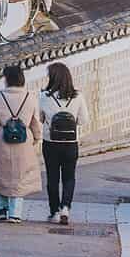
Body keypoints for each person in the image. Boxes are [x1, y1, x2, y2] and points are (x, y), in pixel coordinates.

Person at [0, 64, 42, 223]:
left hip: (1, 138)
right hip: (24, 141)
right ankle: (15, 213)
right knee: (19, 177)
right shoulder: (31, 97)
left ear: (7, 79)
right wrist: (36, 138)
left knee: (0, 175)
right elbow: (35, 122)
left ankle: (1, 210)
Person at [39, 62, 89, 225]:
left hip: (50, 143)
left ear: (52, 78)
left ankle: (54, 212)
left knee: (52, 178)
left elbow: (40, 118)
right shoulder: (78, 96)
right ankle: (65, 207)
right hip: (70, 143)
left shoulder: (44, 96)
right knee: (69, 177)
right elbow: (83, 120)